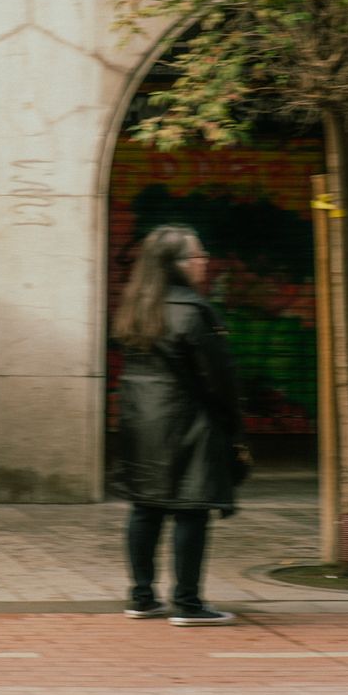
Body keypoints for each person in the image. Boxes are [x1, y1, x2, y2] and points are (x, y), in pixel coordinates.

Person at [110, 224, 243, 627]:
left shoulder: (135, 306)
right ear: (177, 264)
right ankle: (187, 603)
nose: (205, 262)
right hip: (189, 422)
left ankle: (142, 597)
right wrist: (232, 426)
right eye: (198, 255)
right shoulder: (193, 312)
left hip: (142, 422)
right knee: (191, 509)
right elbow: (218, 379)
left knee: (145, 508)